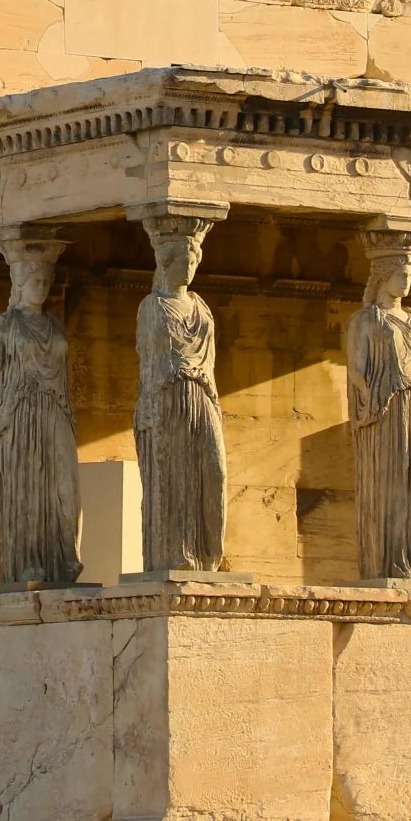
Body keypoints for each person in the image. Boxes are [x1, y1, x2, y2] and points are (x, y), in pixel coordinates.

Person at [344, 241, 411, 581]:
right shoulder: (365, 320)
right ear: (384, 276)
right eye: (401, 275)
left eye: (410, 275)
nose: (406, 282)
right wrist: (369, 399)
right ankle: (395, 564)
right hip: (386, 406)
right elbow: (355, 368)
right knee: (395, 486)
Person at [0, 240, 81, 583]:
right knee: (27, 485)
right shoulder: (2, 325)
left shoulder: (55, 325)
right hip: (20, 412)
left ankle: (63, 559)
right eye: (35, 281)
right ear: (19, 283)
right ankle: (27, 563)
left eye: (45, 281)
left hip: (55, 408)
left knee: (64, 486)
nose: (42, 287)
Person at [134, 218, 227, 571]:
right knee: (172, 476)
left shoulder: (202, 308)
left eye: (192, 262)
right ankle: (173, 556)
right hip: (167, 398)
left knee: (212, 470)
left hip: (202, 397)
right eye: (181, 262)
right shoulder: (152, 307)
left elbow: (212, 359)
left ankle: (205, 556)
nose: (188, 269)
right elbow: (148, 360)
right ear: (165, 263)